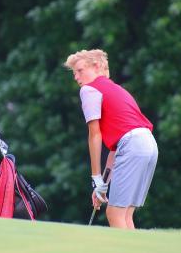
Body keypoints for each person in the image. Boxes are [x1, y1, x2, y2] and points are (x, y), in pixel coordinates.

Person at [64, 49, 158, 229]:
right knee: (125, 215)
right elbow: (115, 152)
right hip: (148, 145)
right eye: (74, 73)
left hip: (133, 145)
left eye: (80, 70)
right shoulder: (117, 89)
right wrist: (102, 186)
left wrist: (95, 177)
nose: (76, 77)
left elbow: (94, 134)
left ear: (96, 66)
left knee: (114, 213)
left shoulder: (89, 89)